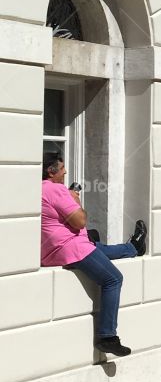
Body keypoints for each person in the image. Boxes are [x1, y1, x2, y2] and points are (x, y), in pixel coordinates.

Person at [41, 153, 146, 357]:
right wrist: (75, 200)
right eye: (62, 169)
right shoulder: (56, 189)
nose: (65, 172)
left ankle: (133, 247)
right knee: (113, 279)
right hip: (70, 248)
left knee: (97, 247)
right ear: (51, 171)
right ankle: (108, 337)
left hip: (52, 252)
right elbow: (80, 221)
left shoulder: (39, 189)